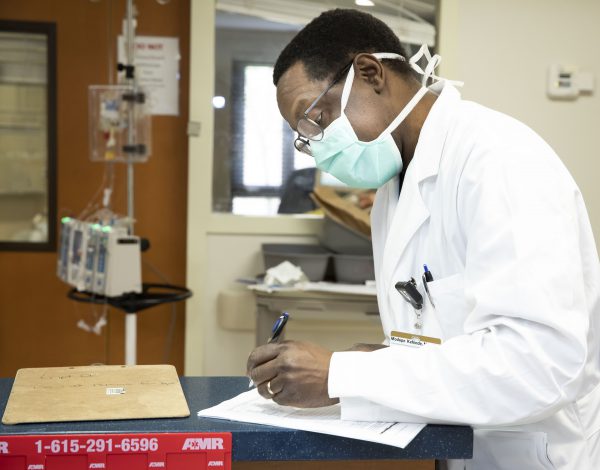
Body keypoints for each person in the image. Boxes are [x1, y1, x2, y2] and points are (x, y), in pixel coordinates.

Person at [246, 9, 600, 470]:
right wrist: (380, 359)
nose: (316, 147)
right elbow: (443, 339)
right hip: (459, 450)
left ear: (369, 73)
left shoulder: (500, 160)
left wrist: (341, 374)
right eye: (304, 137)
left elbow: (537, 365)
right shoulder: (394, 188)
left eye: (315, 119)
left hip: (534, 456)